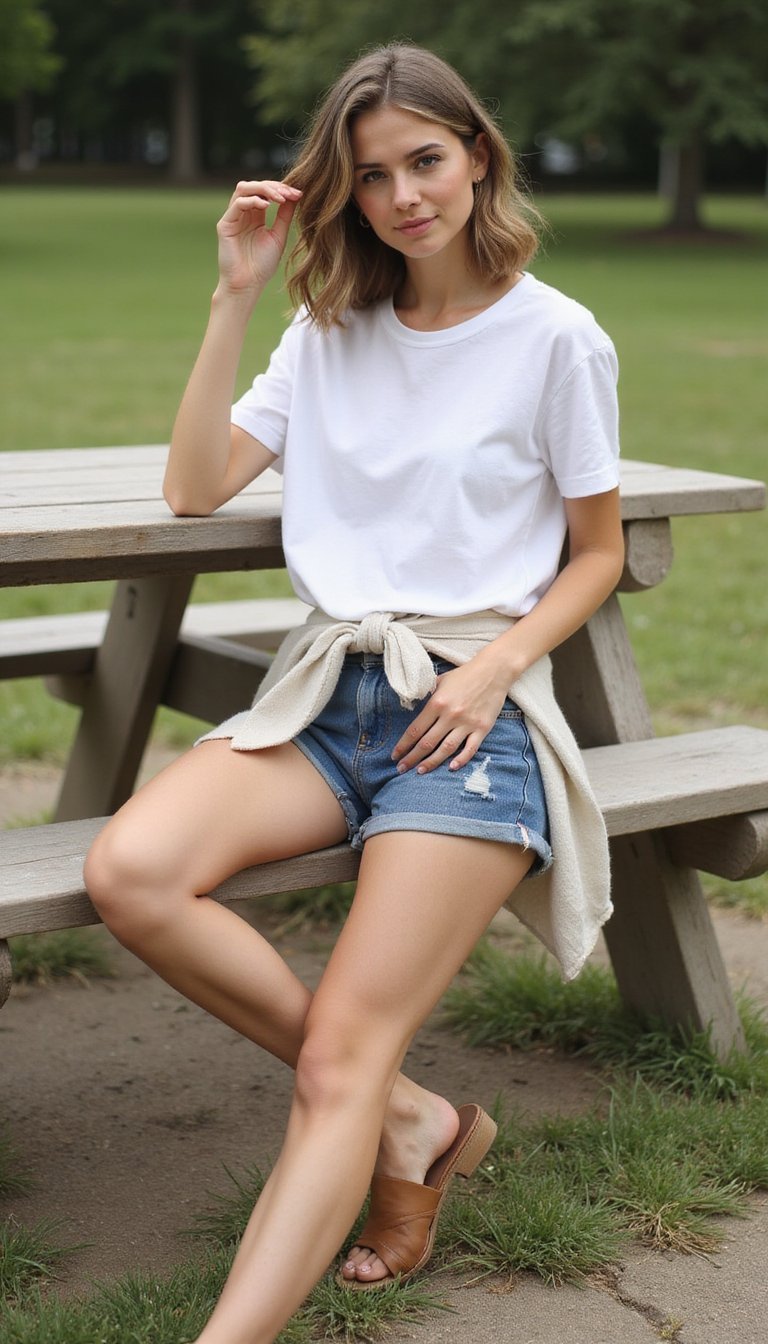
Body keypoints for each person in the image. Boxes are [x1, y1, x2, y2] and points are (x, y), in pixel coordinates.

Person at [84, 41, 624, 1344]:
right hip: (326, 699)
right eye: (372, 176)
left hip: (467, 714)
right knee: (130, 872)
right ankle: (415, 1117)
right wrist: (236, 294)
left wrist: (495, 668)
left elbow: (597, 552)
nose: (402, 197)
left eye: (424, 161)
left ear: (478, 155)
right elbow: (193, 487)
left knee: (335, 1058)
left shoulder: (558, 337)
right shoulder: (326, 332)